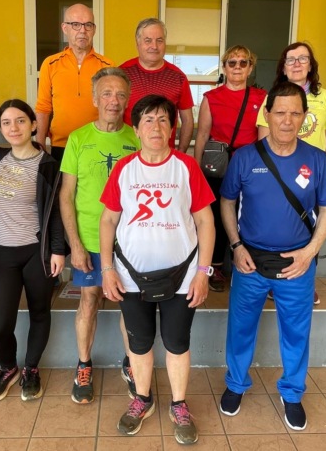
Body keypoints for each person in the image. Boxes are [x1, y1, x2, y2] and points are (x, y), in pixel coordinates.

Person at [219, 82, 326, 431]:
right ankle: (236, 384)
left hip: (297, 264)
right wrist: (236, 246)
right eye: (280, 112)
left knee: (296, 333)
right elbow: (227, 202)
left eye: (295, 113)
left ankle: (292, 393)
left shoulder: (316, 159)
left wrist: (309, 253)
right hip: (250, 262)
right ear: (267, 114)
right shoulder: (244, 157)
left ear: (304, 117)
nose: (287, 121)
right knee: (240, 328)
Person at [99, 95, 215, 445]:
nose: (156, 126)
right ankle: (142, 399)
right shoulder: (124, 169)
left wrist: (203, 272)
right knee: (140, 342)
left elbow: (205, 222)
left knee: (177, 343)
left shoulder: (186, 167)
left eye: (164, 120)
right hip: (130, 276)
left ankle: (179, 404)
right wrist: (107, 268)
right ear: (135, 129)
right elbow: (108, 221)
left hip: (183, 276)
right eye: (148, 120)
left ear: (172, 128)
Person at [59, 67, 140, 404]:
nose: (113, 101)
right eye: (107, 93)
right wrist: (75, 245)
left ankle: (133, 364)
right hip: (90, 240)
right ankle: (83, 365)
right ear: (95, 99)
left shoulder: (137, 137)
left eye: (120, 94)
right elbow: (66, 196)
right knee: (89, 299)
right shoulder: (78, 139)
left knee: (130, 306)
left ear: (128, 100)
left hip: (129, 243)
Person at [0, 99, 66, 402]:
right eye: (6, 122)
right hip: (0, 252)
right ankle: (8, 368)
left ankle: (31, 368)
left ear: (33, 125)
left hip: (35, 251)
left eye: (20, 120)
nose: (13, 127)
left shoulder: (48, 165)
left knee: (39, 312)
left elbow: (55, 211)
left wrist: (58, 250)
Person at [258, 42, 326, 305]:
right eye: (290, 59)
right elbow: (262, 137)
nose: (296, 64)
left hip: (312, 175)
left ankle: (306, 279)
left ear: (311, 65)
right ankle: (276, 279)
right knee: (282, 225)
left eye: (302, 58)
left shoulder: (325, 97)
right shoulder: (272, 96)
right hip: (280, 175)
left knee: (311, 228)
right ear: (283, 67)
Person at [194, 45, 267, 292]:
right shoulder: (211, 98)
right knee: (215, 215)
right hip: (217, 166)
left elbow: (264, 137)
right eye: (232, 63)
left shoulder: (261, 97)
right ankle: (215, 266)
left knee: (248, 215)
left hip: (248, 164)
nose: (237, 67)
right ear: (224, 67)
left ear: (250, 68)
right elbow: (202, 135)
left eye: (243, 62)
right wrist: (197, 170)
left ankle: (245, 263)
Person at [35, 3, 113, 162]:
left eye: (88, 25)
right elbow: (43, 108)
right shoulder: (50, 64)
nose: (82, 31)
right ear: (65, 28)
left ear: (94, 30)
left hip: (97, 143)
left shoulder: (107, 66)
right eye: (76, 25)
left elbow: (113, 108)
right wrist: (40, 144)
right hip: (61, 145)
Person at [120, 18, 194, 153]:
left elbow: (188, 120)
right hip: (127, 154)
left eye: (159, 40)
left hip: (164, 157)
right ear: (138, 43)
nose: (154, 46)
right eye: (148, 40)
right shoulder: (122, 74)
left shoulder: (178, 77)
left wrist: (180, 153)